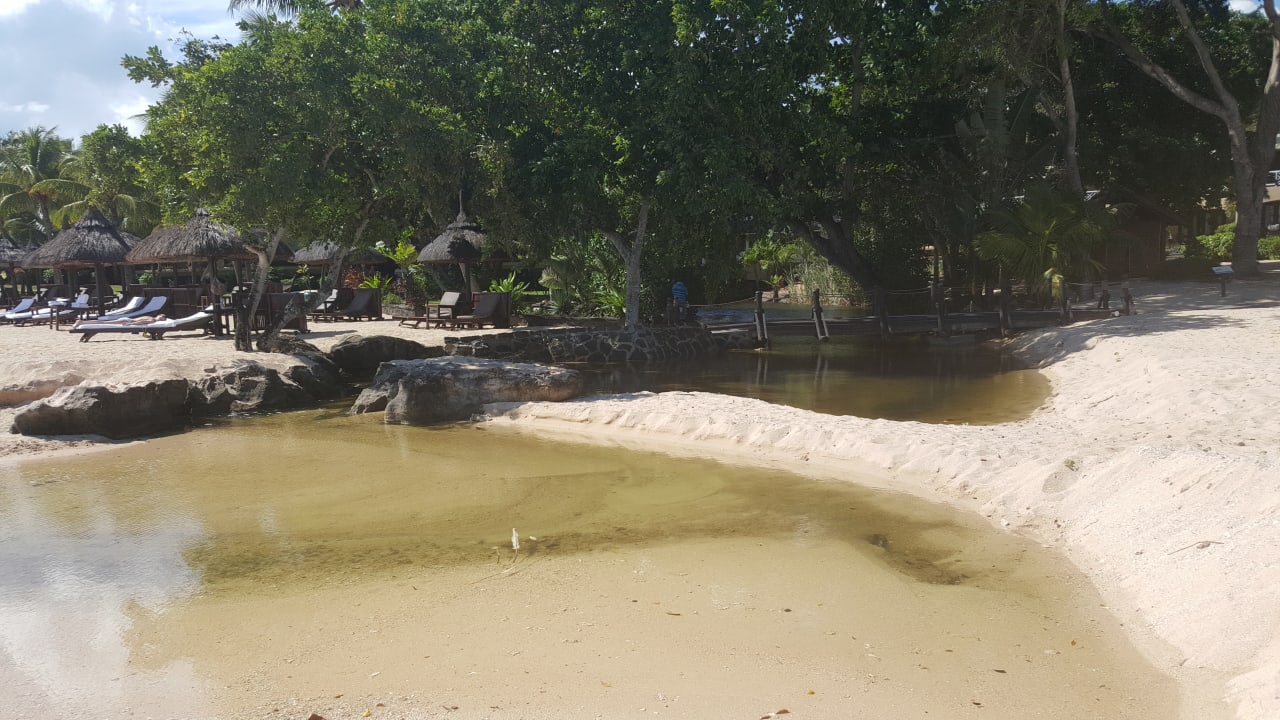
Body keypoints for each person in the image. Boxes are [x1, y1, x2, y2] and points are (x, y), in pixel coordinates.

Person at [75, 314, 166, 327]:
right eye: (162, 318)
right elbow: (141, 322)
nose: (161, 320)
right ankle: (81, 322)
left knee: (104, 322)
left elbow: (142, 319)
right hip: (128, 321)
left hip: (128, 319)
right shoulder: (152, 320)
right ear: (159, 317)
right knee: (103, 323)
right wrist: (130, 324)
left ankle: (82, 321)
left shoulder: (149, 316)